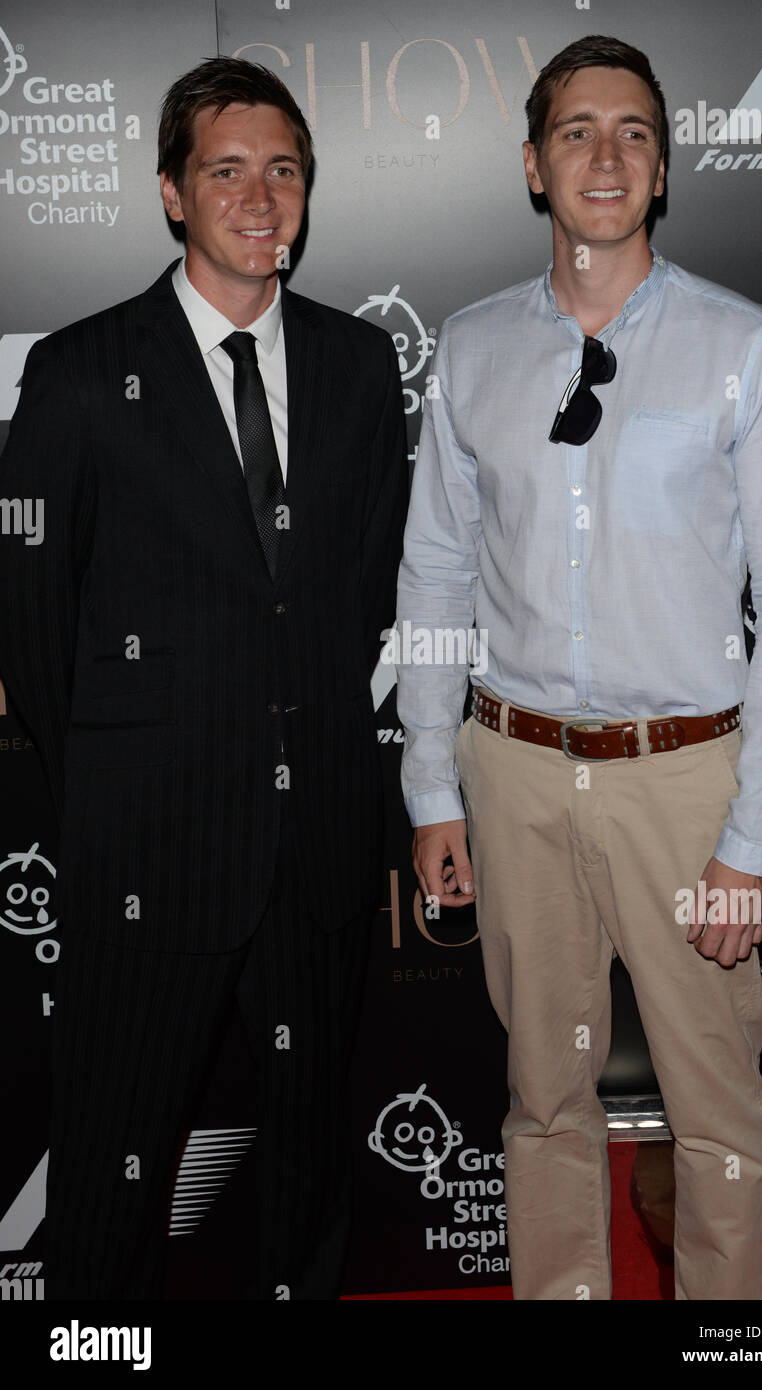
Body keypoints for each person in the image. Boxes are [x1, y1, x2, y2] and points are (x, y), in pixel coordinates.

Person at [395, 34, 762, 1300]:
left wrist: (756, 837)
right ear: (534, 165)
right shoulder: (471, 353)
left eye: (634, 131)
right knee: (543, 1102)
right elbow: (433, 581)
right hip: (514, 776)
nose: (607, 153)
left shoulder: (746, 351)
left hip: (690, 788)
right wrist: (433, 787)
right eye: (578, 130)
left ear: (663, 168)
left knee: (720, 1116)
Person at [0, 56, 407, 1300]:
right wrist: (121, 798)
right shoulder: (77, 373)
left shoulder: (356, 366)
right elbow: (32, 628)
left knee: (306, 1176)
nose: (257, 193)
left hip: (319, 854)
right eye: (225, 169)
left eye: (283, 169)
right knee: (111, 1178)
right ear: (173, 194)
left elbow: (369, 597)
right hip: (147, 857)